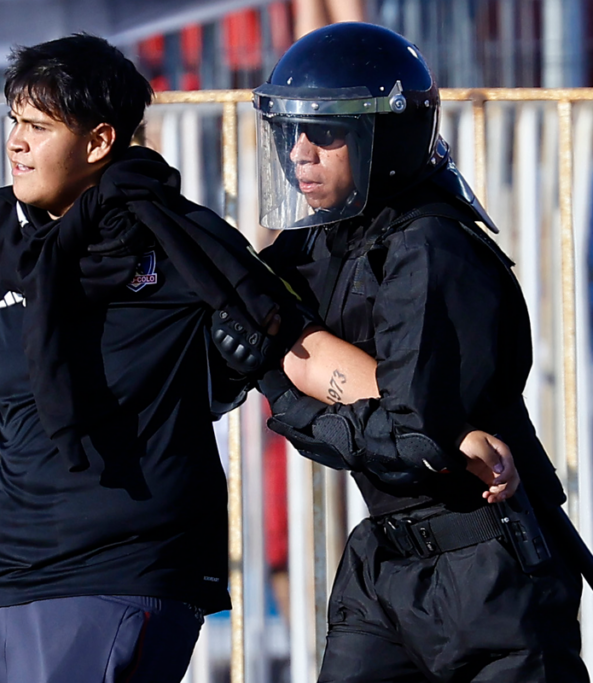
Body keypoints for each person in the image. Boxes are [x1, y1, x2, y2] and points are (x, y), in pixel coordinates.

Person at [0, 33, 430, 683]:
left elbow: (298, 350)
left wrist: (435, 422)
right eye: (14, 120)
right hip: (4, 582)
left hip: (121, 577)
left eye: (39, 126)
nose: (15, 141)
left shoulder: (177, 242)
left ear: (100, 141)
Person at [247, 22, 589, 682]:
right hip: (382, 564)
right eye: (294, 131)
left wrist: (292, 388)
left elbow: (415, 441)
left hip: (483, 569)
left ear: (387, 138)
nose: (301, 154)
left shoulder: (428, 246)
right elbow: (246, 319)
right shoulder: (334, 236)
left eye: (328, 132)